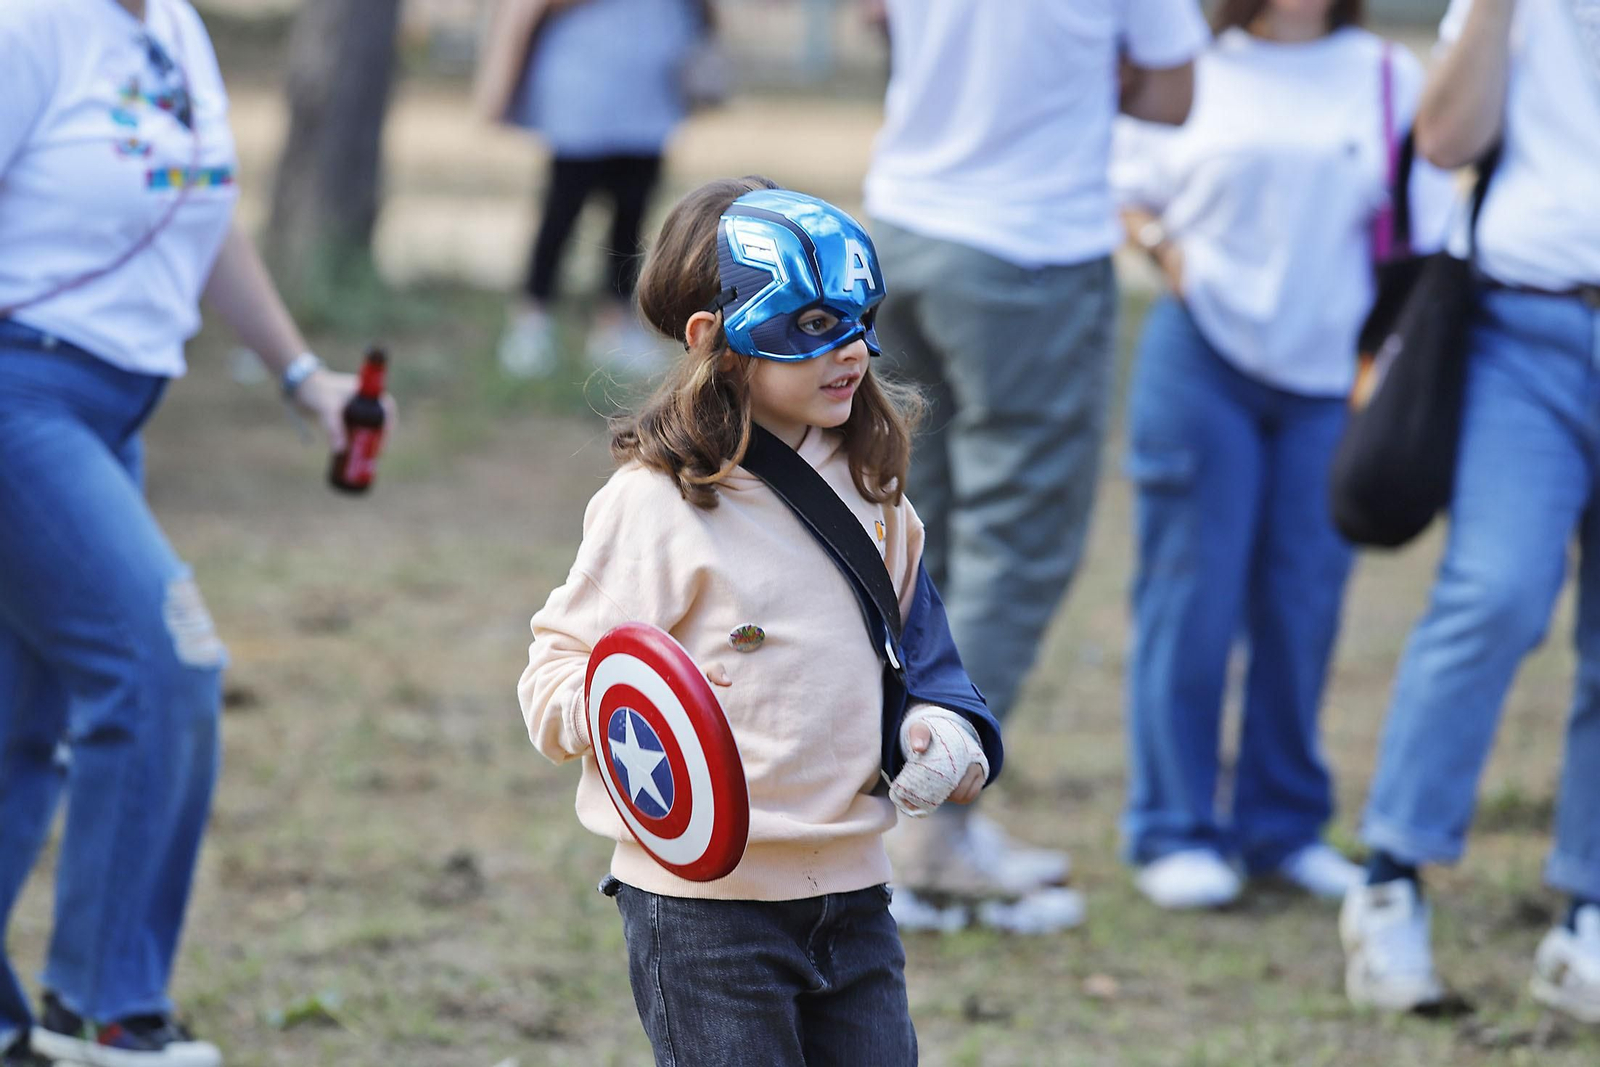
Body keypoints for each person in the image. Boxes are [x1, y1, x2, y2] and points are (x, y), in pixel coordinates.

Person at [518, 176, 1003, 1065]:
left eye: (859, 320)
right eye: (812, 327)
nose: (851, 351)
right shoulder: (656, 507)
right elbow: (557, 671)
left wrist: (946, 730)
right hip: (704, 912)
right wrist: (630, 712)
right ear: (718, 340)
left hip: (856, 895)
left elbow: (930, 661)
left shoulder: (874, 492)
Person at [0, 1, 390, 1064]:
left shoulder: (171, 24)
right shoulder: (30, 27)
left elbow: (200, 212)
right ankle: (100, 1008)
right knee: (161, 659)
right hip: (20, 392)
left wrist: (304, 377)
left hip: (110, 407)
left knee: (18, 726)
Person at [861, 0, 1208, 931]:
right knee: (1019, 545)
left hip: (901, 229)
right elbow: (1175, 94)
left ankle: (887, 810)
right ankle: (927, 824)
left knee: (908, 538)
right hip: (1030, 251)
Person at [1110, 0, 1455, 911]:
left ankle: (1283, 825)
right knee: (1192, 596)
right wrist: (1162, 250)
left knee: (1303, 603)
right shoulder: (1195, 62)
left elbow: (1422, 237)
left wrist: (1382, 367)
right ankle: (1174, 828)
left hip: (1332, 379)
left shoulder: (1388, 75)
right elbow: (1127, 185)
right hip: (1201, 359)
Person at [1338, 0, 1600, 1022]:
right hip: (1526, 323)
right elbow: (1444, 140)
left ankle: (1585, 911)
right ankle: (1390, 877)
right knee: (1494, 593)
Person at [474, 0, 711, 381]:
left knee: (631, 214)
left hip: (652, 82)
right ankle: (532, 321)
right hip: (582, 83)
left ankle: (615, 324)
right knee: (562, 210)